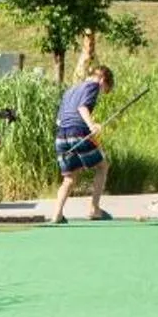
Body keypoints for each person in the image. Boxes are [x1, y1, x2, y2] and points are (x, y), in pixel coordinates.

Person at [50, 64, 114, 224]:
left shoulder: (70, 90)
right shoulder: (93, 85)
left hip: (61, 135)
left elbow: (59, 119)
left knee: (69, 177)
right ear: (102, 80)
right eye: (104, 88)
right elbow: (82, 107)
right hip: (78, 132)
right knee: (102, 166)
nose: (101, 92)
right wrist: (92, 126)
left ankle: (57, 214)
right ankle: (94, 208)